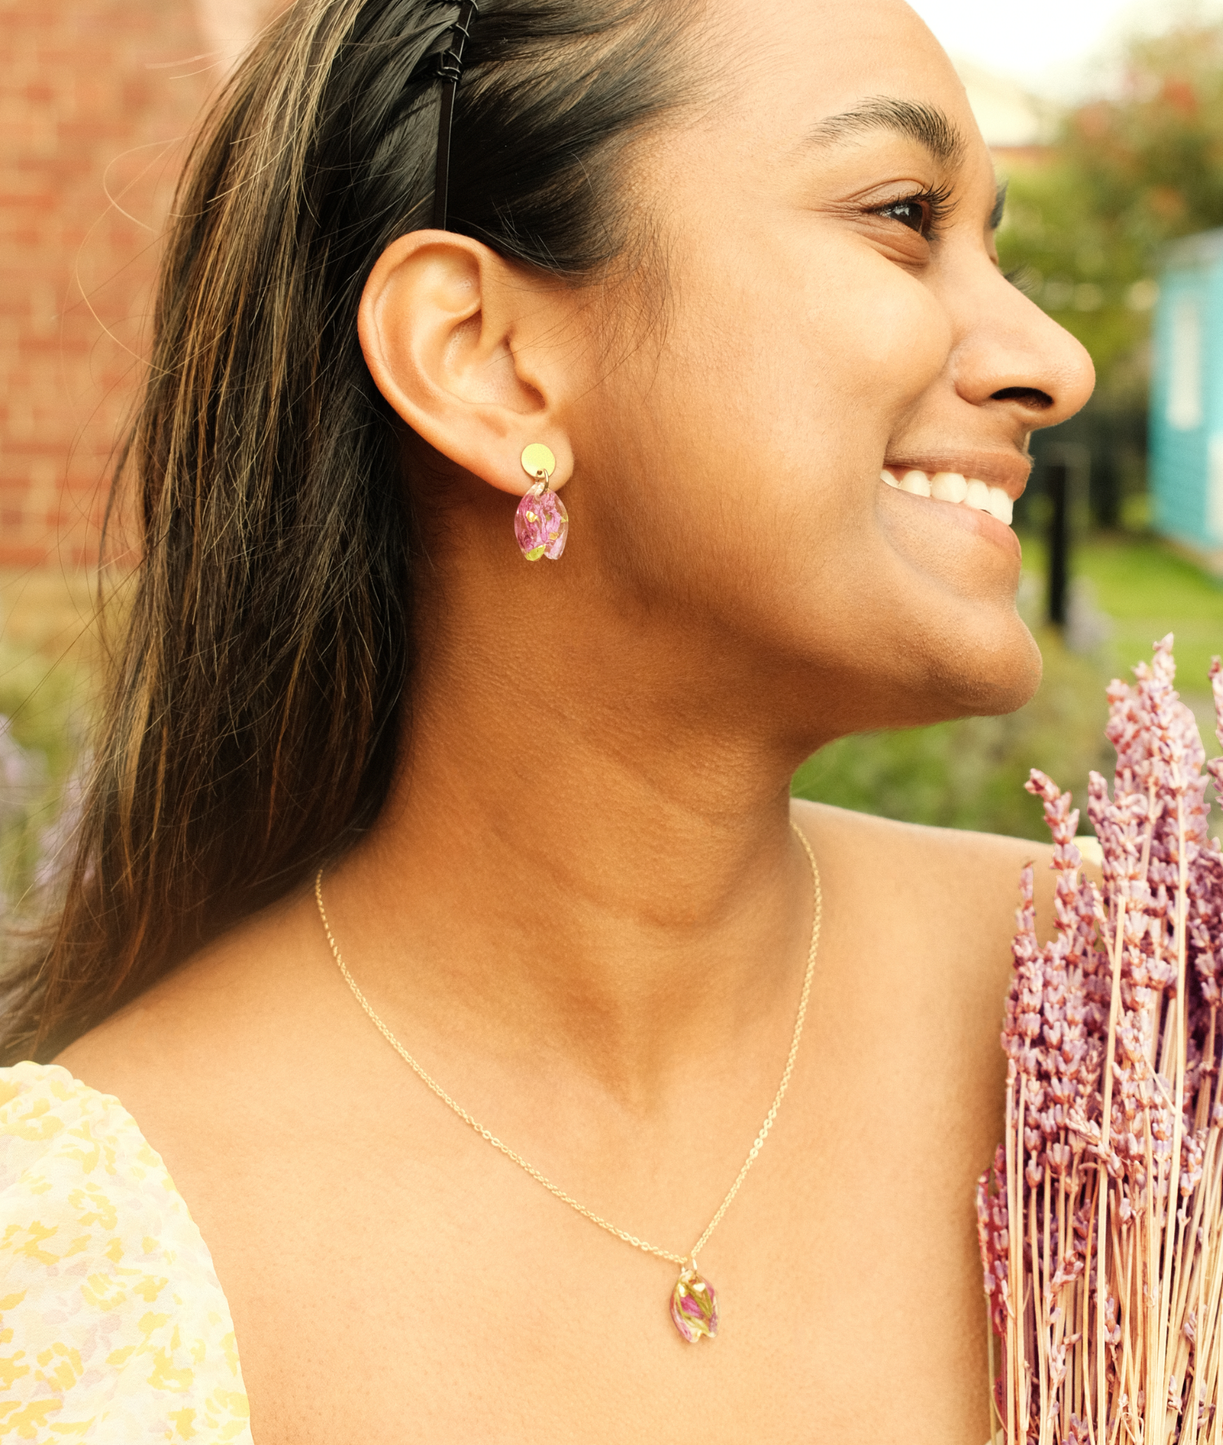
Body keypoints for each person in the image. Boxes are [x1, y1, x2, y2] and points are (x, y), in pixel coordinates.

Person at [0, 0, 1093, 1438]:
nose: (1052, 361)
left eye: (992, 244)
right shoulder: (85, 1258)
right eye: (901, 215)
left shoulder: (1120, 1022)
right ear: (485, 357)